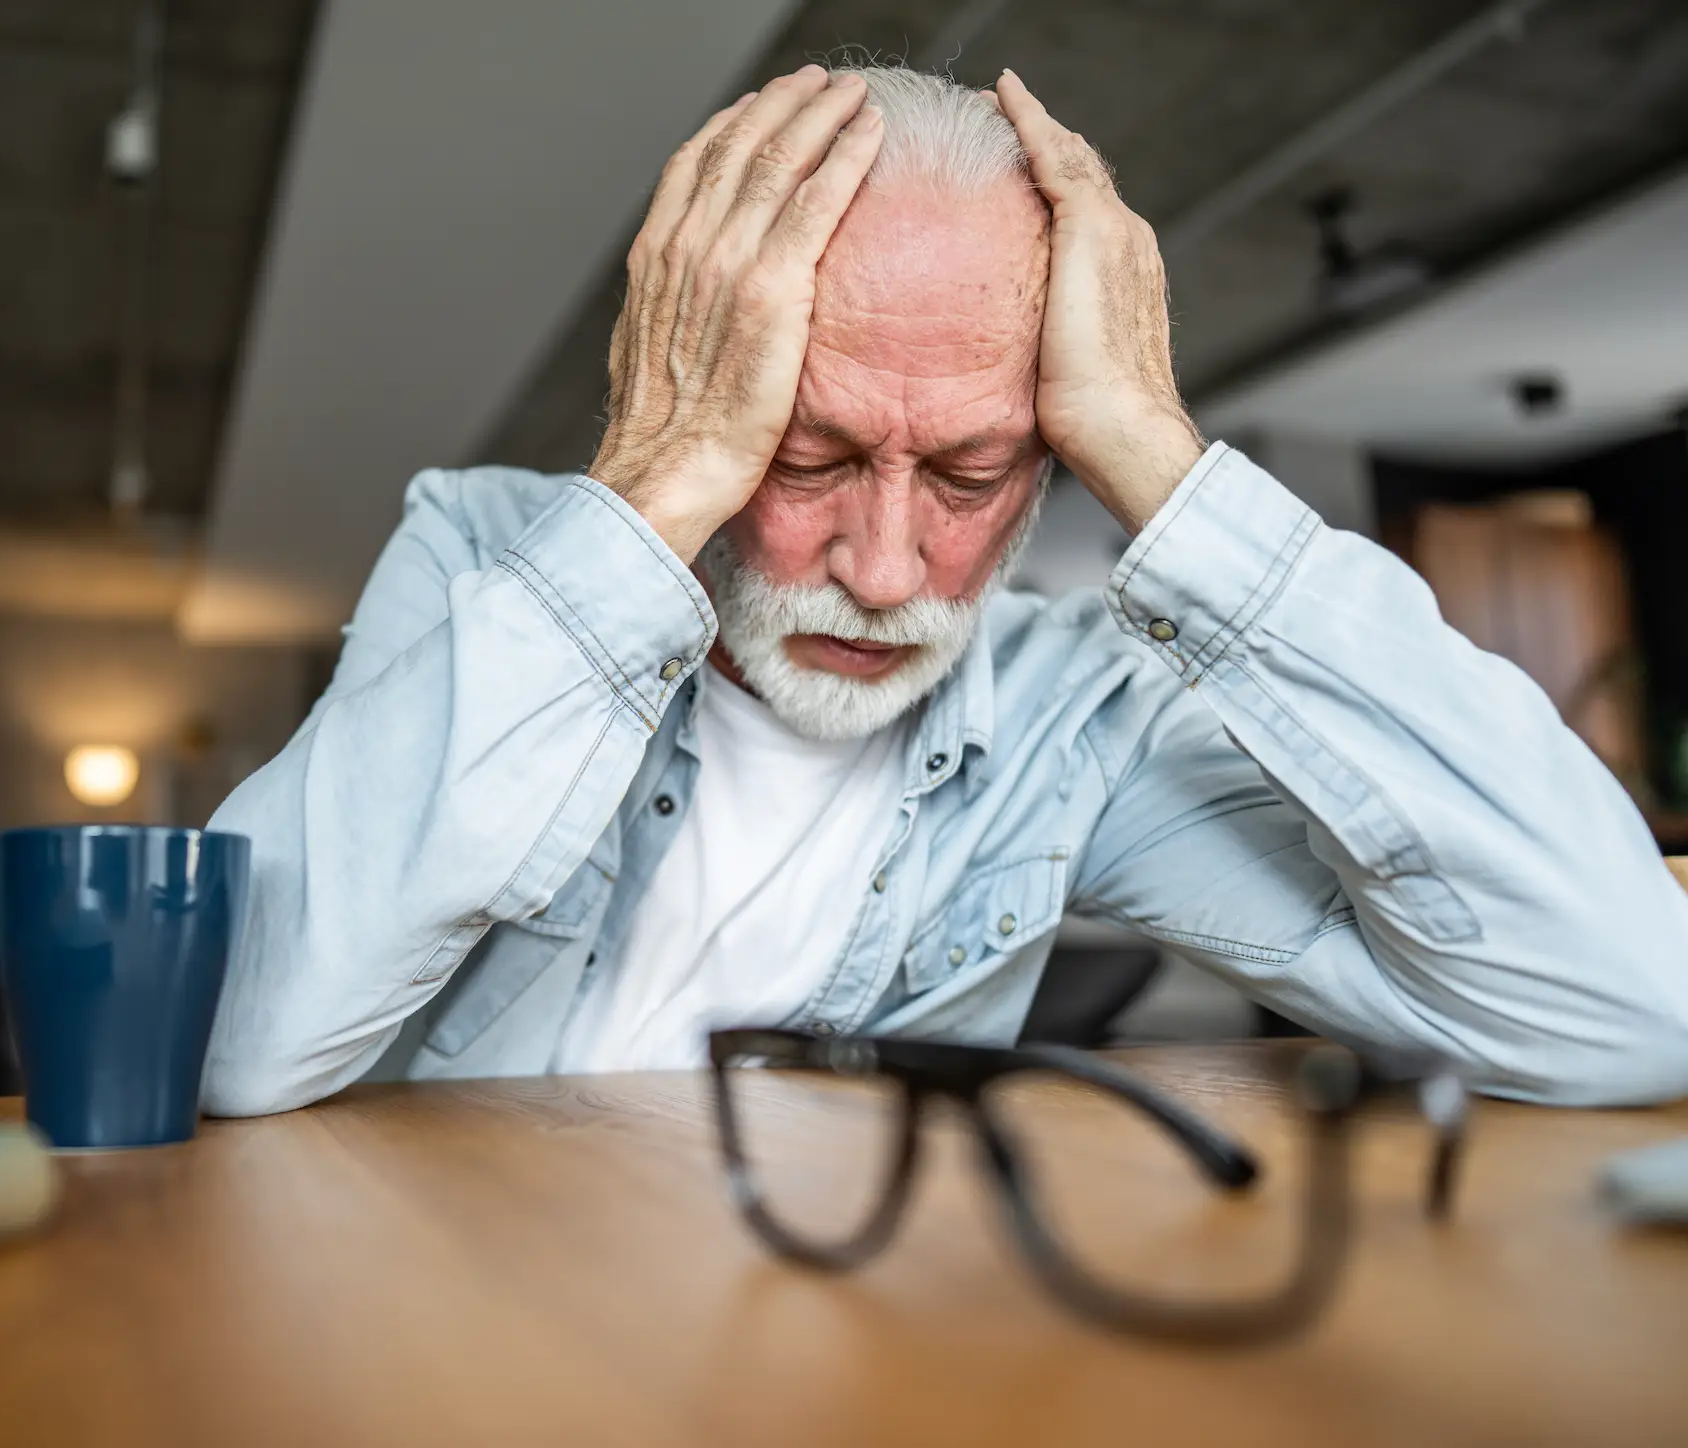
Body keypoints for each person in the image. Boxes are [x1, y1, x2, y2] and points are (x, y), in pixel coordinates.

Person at [199, 65, 1688, 1116]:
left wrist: (1163, 463)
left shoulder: (1070, 726)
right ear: (702, 399)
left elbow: (1631, 1011)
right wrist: (653, 485)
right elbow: (230, 1041)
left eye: (973, 480)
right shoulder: (482, 558)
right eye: (805, 457)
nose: (887, 569)